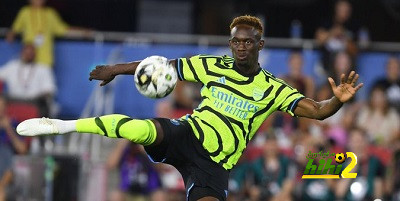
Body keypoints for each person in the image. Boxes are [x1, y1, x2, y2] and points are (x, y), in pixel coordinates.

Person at [16, 15, 363, 201]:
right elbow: (165, 66)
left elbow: (316, 110)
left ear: (260, 44)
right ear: (231, 43)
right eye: (236, 41)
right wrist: (116, 70)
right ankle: (63, 125)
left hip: (214, 166)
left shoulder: (273, 88)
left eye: (247, 42)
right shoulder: (212, 65)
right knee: (143, 128)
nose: (241, 47)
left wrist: (337, 101)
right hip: (189, 134)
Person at [6, 0, 91, 67]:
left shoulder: (50, 13)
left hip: (45, 59)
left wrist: (82, 32)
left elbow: (64, 30)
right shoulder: (24, 12)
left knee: (47, 88)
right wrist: (11, 34)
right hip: (29, 59)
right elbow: (15, 29)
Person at [0, 44, 57, 116]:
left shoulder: (43, 69)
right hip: (13, 99)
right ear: (21, 53)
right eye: (26, 53)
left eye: (31, 53)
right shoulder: (12, 66)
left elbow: (49, 89)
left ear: (35, 55)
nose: (28, 55)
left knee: (45, 104)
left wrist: (41, 97)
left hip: (34, 102)